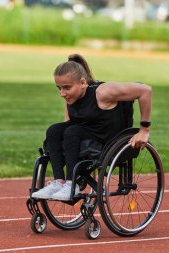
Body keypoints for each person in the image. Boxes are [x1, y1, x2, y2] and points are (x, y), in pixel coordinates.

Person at [32, 53, 152, 201]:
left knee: (71, 131)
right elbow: (68, 122)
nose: (62, 93)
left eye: (66, 88)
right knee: (54, 130)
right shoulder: (71, 97)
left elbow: (145, 90)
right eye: (59, 88)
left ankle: (71, 184)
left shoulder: (103, 92)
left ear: (82, 83)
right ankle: (59, 182)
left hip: (108, 138)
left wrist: (144, 130)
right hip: (86, 134)